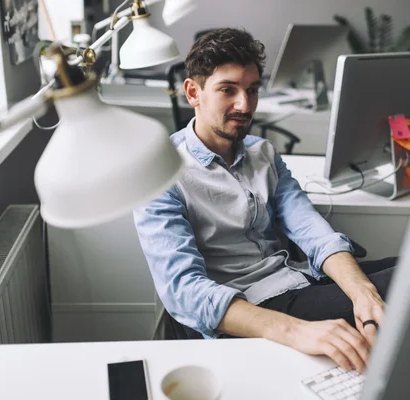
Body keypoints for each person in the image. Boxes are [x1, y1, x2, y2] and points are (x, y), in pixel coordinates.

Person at [133, 28, 396, 373]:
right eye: (228, 90)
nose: (245, 105)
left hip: (295, 280)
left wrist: (362, 292)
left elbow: (311, 229)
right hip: (250, 311)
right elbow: (184, 291)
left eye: (252, 90)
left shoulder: (263, 153)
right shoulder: (159, 170)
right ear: (193, 92)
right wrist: (296, 332)